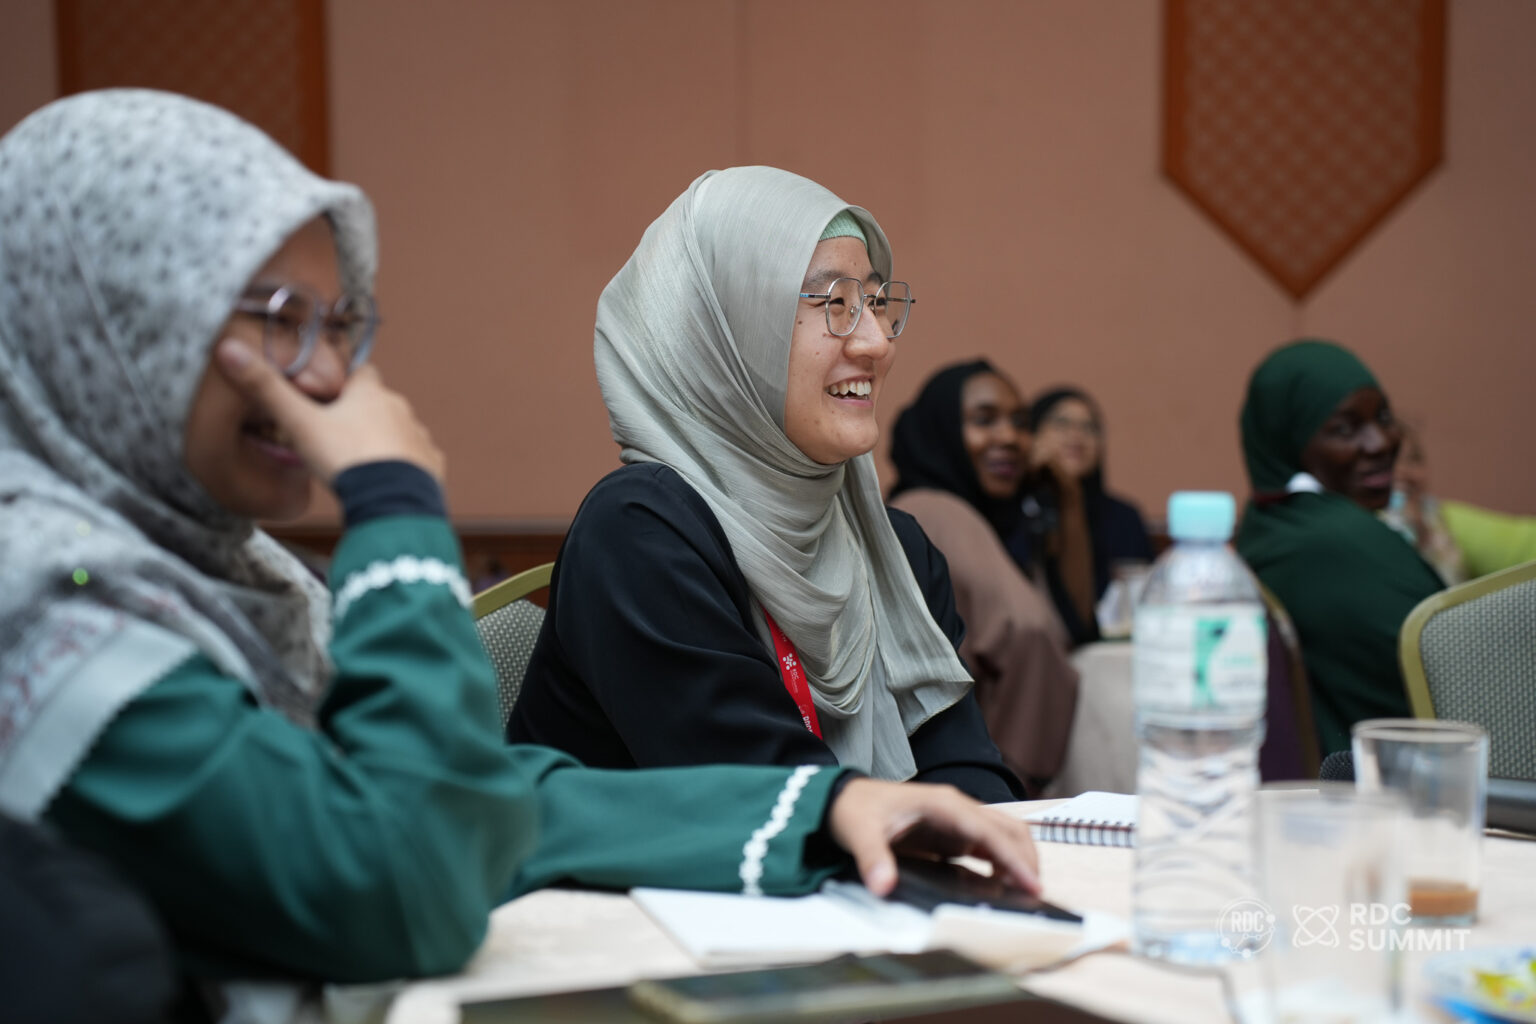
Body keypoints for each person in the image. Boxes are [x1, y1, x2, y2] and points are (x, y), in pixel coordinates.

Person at [0, 92, 1040, 1010]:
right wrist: (393, 509)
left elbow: (488, 805)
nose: (324, 378)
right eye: (278, 321)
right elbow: (410, 878)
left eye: (340, 322)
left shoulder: (233, 577)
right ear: (98, 325)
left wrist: (830, 807)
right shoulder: (44, 619)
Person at [509, 167, 1022, 804]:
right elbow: (768, 805)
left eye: (874, 302)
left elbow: (970, 778)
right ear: (727, 333)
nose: (875, 342)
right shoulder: (638, 537)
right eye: (833, 303)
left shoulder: (898, 552)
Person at [1234, 339, 1444, 756]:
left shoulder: (1270, 524)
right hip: (1405, 778)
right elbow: (1459, 670)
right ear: (1287, 440)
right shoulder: (1331, 544)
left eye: (1383, 417)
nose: (1380, 442)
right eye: (1344, 429)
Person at [887, 360, 1079, 791]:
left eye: (1021, 423)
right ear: (940, 430)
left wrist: (1064, 499)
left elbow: (1075, 623)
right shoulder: (939, 510)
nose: (1009, 437)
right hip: (975, 780)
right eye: (984, 420)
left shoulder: (983, 519)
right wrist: (1015, 777)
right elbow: (1030, 630)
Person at [1017, 387, 1154, 645]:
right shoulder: (1014, 509)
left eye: (1089, 427)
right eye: (1062, 423)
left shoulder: (1123, 517)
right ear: (1032, 433)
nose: (1076, 436)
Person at [1383, 420, 1536, 583]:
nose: (1403, 472)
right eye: (1388, 463)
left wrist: (1421, 531)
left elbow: (1523, 542)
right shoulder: (1370, 527)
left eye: (1414, 459)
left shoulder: (1439, 517)